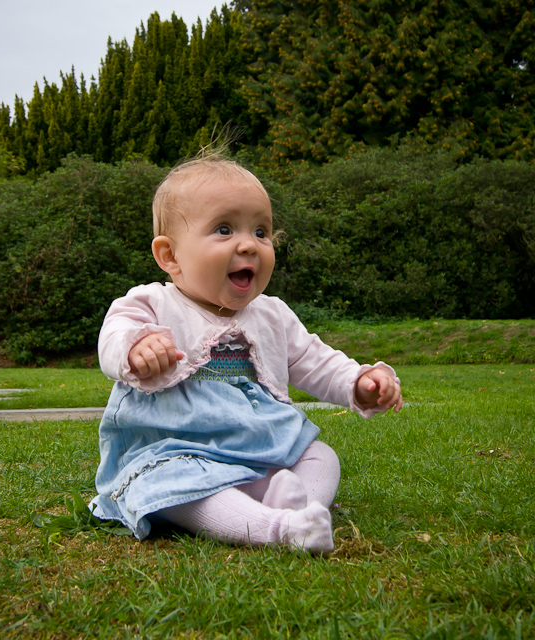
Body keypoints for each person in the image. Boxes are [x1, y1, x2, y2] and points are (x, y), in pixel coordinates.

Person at [90, 149, 402, 554]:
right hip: (178, 449)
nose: (249, 245)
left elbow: (314, 358)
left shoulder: (271, 314)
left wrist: (357, 382)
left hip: (260, 448)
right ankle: (278, 527)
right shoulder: (153, 303)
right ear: (170, 256)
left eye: (260, 231)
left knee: (321, 456)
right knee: (181, 489)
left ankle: (301, 507)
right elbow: (113, 335)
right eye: (224, 230)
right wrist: (136, 348)